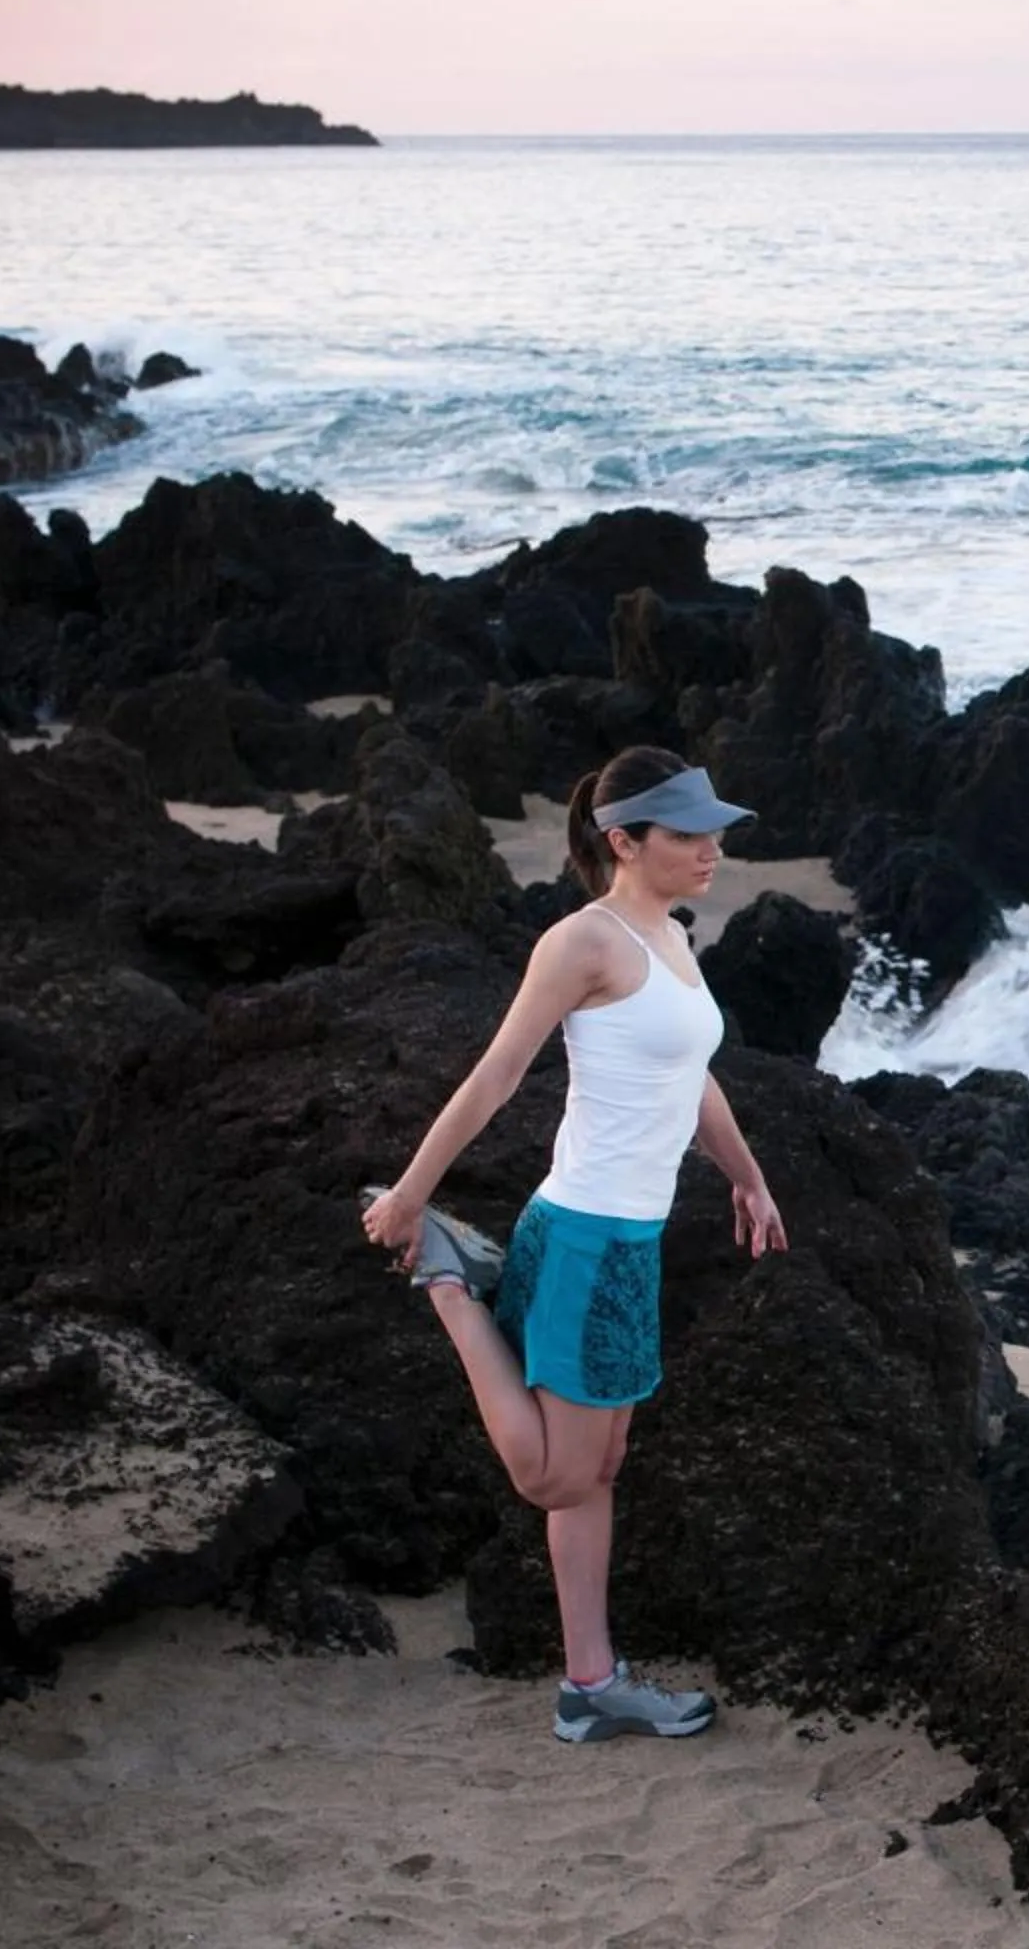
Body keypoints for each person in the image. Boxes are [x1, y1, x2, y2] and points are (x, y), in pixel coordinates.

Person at [360, 745, 787, 1745]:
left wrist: (747, 1172)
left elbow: (695, 1074)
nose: (710, 847)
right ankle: (451, 1286)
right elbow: (499, 1071)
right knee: (553, 1476)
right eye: (685, 833)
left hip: (630, 1242)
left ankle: (590, 1682)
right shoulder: (581, 943)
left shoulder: (673, 937)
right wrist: (415, 1198)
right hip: (585, 1236)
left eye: (713, 829)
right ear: (622, 839)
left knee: (601, 1468)